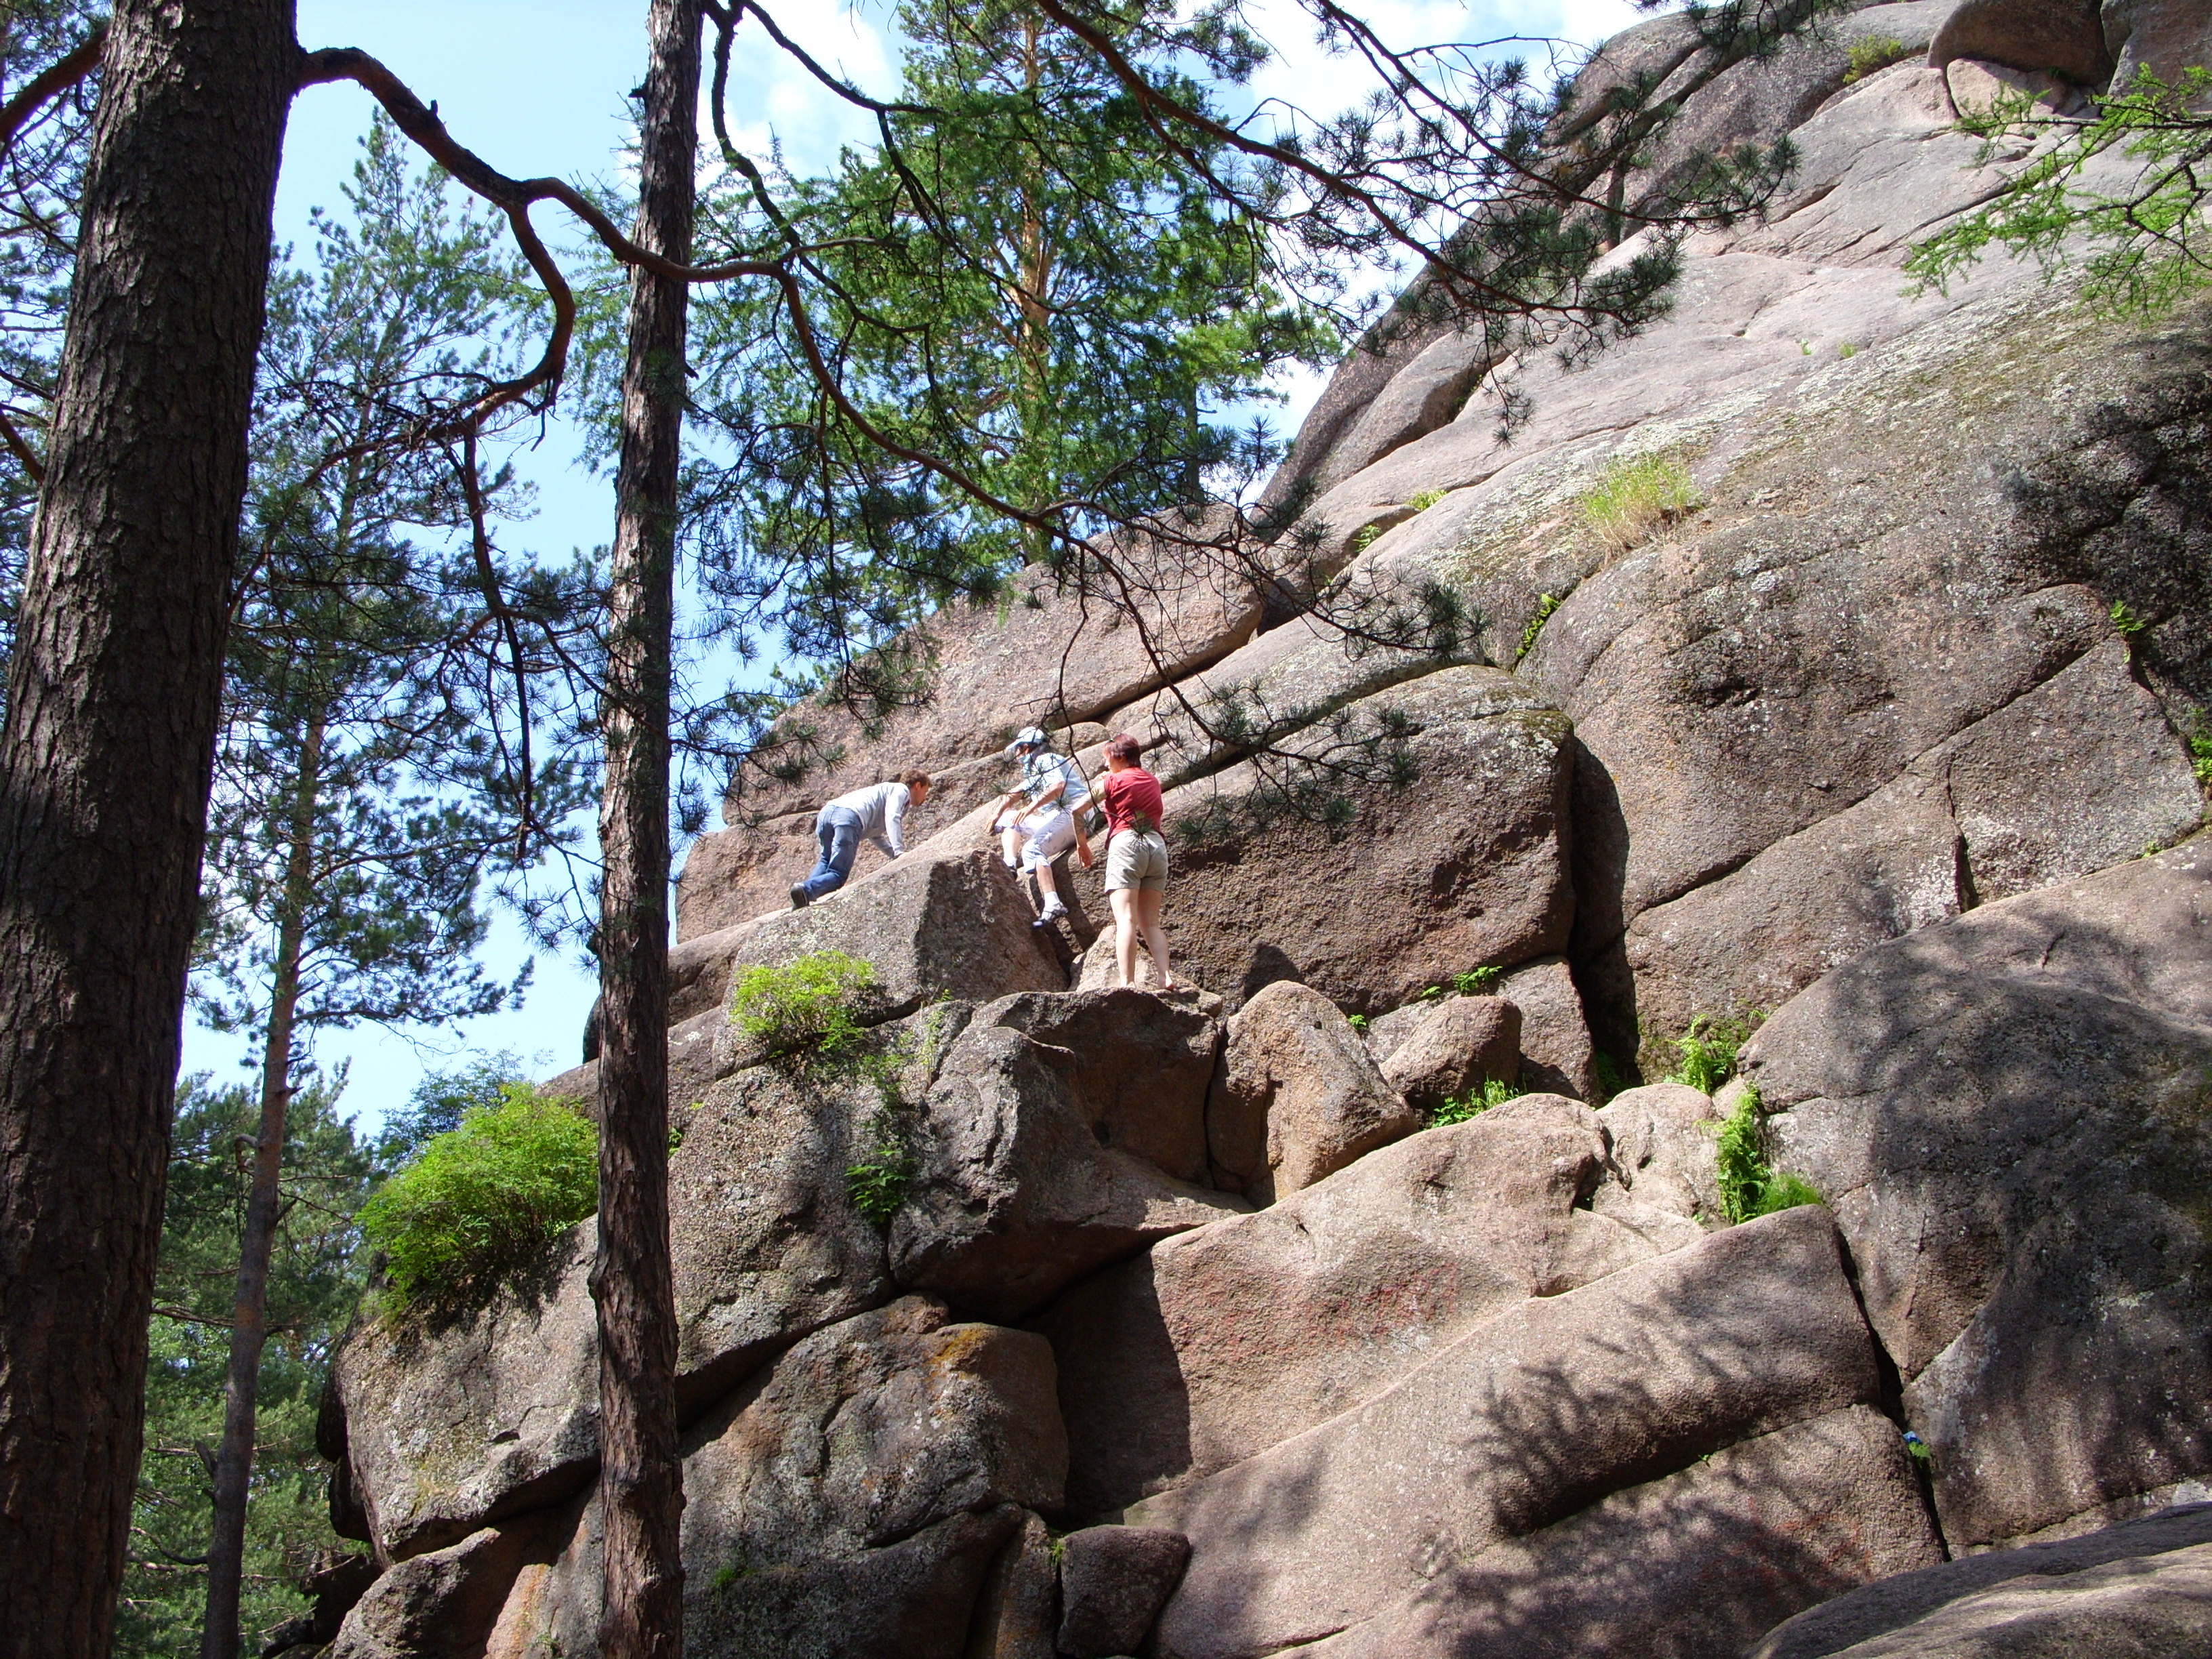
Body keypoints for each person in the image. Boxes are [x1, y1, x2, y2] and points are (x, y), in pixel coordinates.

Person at [1092, 733, 1174, 989]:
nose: (1106, 765)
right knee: (1151, 922)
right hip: (1157, 846)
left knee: (1126, 919)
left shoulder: (1113, 780)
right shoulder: (1152, 780)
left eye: (1107, 759)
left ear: (1119, 756)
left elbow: (1077, 808)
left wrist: (1083, 845)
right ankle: (1165, 976)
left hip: (1127, 844)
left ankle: (1128, 983)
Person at [997, 726, 1092, 926]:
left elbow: (1058, 786)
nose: (1016, 754)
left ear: (1026, 747)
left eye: (1018, 749)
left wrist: (1031, 807)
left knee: (1032, 848)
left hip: (1075, 812)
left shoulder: (1045, 759)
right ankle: (1009, 865)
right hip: (1057, 815)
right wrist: (998, 812)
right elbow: (1017, 791)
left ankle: (1053, 903)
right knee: (1009, 819)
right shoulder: (1033, 767)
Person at [792, 772, 931, 907]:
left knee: (825, 860)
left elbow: (874, 835)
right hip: (848, 817)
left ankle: (802, 898)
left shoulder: (882, 794)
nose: (925, 798)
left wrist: (894, 855)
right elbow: (893, 817)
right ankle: (806, 890)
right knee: (838, 874)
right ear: (918, 786)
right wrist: (900, 851)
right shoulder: (901, 790)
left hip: (827, 813)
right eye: (925, 791)